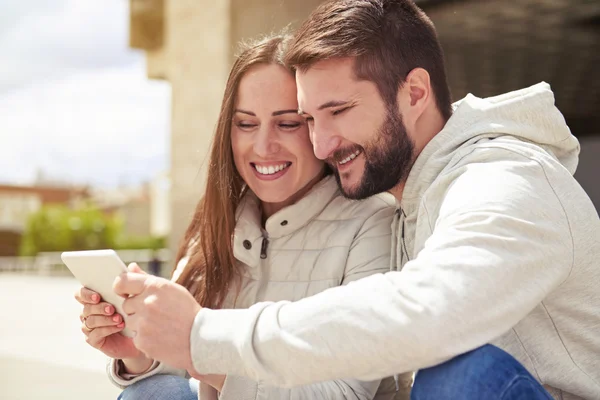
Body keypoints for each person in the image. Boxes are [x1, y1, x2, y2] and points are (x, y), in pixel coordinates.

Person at [107, 0, 600, 399]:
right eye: (311, 119)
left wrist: (205, 336)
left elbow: (423, 316)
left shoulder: (504, 179)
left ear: (414, 92)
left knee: (459, 373)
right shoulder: (412, 199)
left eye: (338, 111)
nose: (321, 144)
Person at [75, 34, 400, 400]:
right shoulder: (216, 222)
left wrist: (202, 349)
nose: (263, 147)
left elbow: (346, 393)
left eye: (288, 123)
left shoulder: (371, 223)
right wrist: (138, 354)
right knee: (154, 391)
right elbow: (181, 374)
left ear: (316, 127)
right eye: (246, 124)